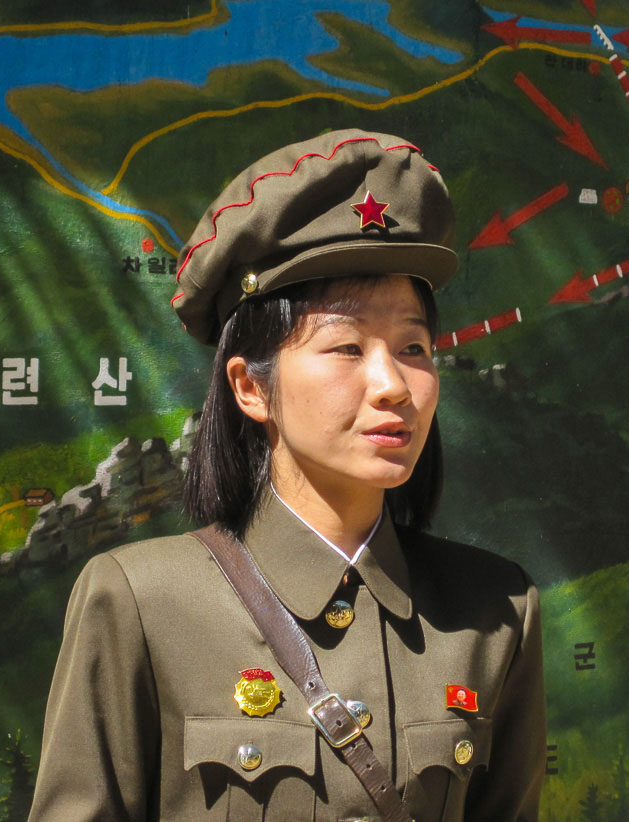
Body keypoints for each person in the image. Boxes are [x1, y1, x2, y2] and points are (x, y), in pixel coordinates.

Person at [28, 128, 546, 821]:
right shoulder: (140, 602)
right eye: (348, 347)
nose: (393, 383)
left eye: (413, 346)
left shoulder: (495, 611)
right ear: (250, 387)